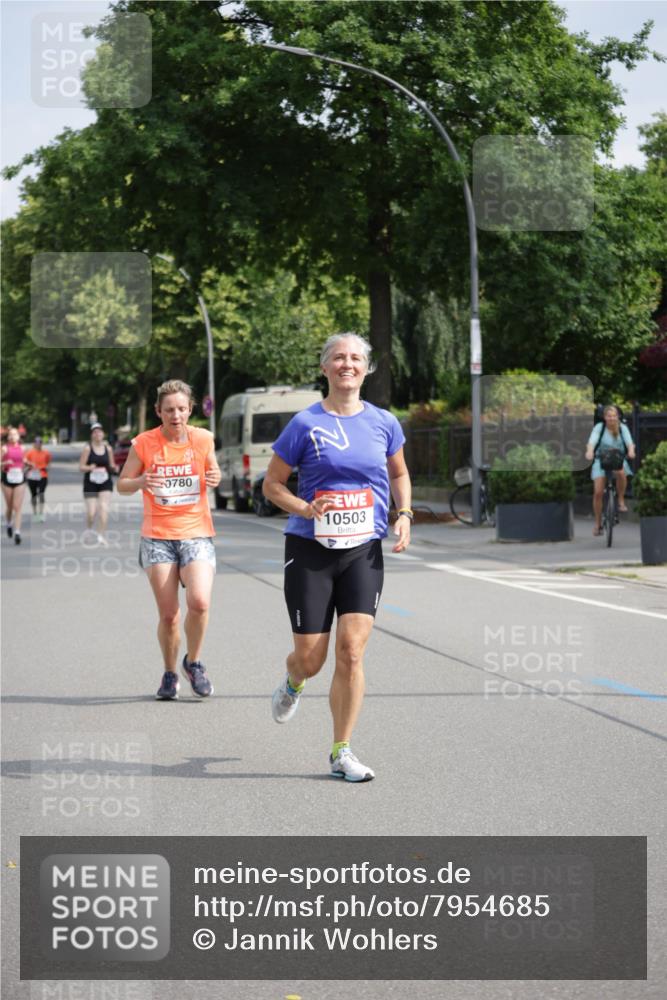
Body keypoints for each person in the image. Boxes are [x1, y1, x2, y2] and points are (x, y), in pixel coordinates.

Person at [263, 333, 413, 782]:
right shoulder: (304, 424)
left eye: (355, 359)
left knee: (351, 652)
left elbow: (400, 472)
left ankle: (341, 751)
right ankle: (294, 681)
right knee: (311, 658)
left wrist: (403, 513)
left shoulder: (384, 422)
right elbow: (272, 485)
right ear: (325, 368)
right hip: (310, 549)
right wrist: (305, 508)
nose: (347, 365)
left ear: (366, 369)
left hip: (363, 550)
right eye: (338, 358)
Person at [118, 379, 221, 700]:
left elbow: (213, 472)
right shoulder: (144, 444)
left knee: (200, 602)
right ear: (158, 411)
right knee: (169, 615)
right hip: (157, 537)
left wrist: (214, 476)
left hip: (196, 532)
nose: (176, 415)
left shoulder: (203, 439)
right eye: (169, 409)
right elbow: (122, 484)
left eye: (181, 409)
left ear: (190, 410)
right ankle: (169, 673)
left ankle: (194, 661)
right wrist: (139, 480)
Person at [585, 404, 636, 535]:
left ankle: (620, 500)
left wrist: (631, 451)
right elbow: (592, 441)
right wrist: (590, 451)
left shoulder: (622, 428)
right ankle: (597, 524)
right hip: (600, 459)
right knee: (598, 493)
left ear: (617, 417)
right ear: (604, 417)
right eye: (609, 416)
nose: (612, 418)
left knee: (620, 472)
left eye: (614, 416)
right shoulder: (599, 428)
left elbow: (629, 442)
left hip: (618, 458)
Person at [79, 423, 118, 544]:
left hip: (105, 482)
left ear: (103, 434)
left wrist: (114, 468)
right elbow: (81, 467)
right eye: (95, 432)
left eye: (100, 431)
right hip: (90, 482)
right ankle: (90, 529)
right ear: (92, 435)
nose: (98, 434)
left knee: (103, 508)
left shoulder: (108, 448)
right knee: (91, 512)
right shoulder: (87, 448)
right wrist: (89, 467)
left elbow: (111, 465)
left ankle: (101, 535)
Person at [1, 427, 27, 544]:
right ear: (8, 437)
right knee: (10, 506)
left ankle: (17, 532)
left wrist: (28, 464)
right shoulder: (4, 448)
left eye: (15, 434)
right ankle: (8, 524)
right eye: (10, 435)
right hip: (7, 478)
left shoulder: (23, 448)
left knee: (17, 507)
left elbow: (24, 460)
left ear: (19, 436)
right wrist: (5, 463)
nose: (12, 436)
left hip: (20, 478)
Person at [25, 436, 52, 521]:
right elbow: (25, 461)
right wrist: (29, 464)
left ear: (41, 443)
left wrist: (47, 467)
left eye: (40, 442)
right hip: (32, 476)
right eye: (36, 442)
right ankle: (35, 513)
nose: (38, 444)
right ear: (34, 443)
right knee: (33, 495)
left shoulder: (46, 453)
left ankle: (41, 513)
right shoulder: (30, 453)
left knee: (41, 494)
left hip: (42, 475)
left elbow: (49, 463)